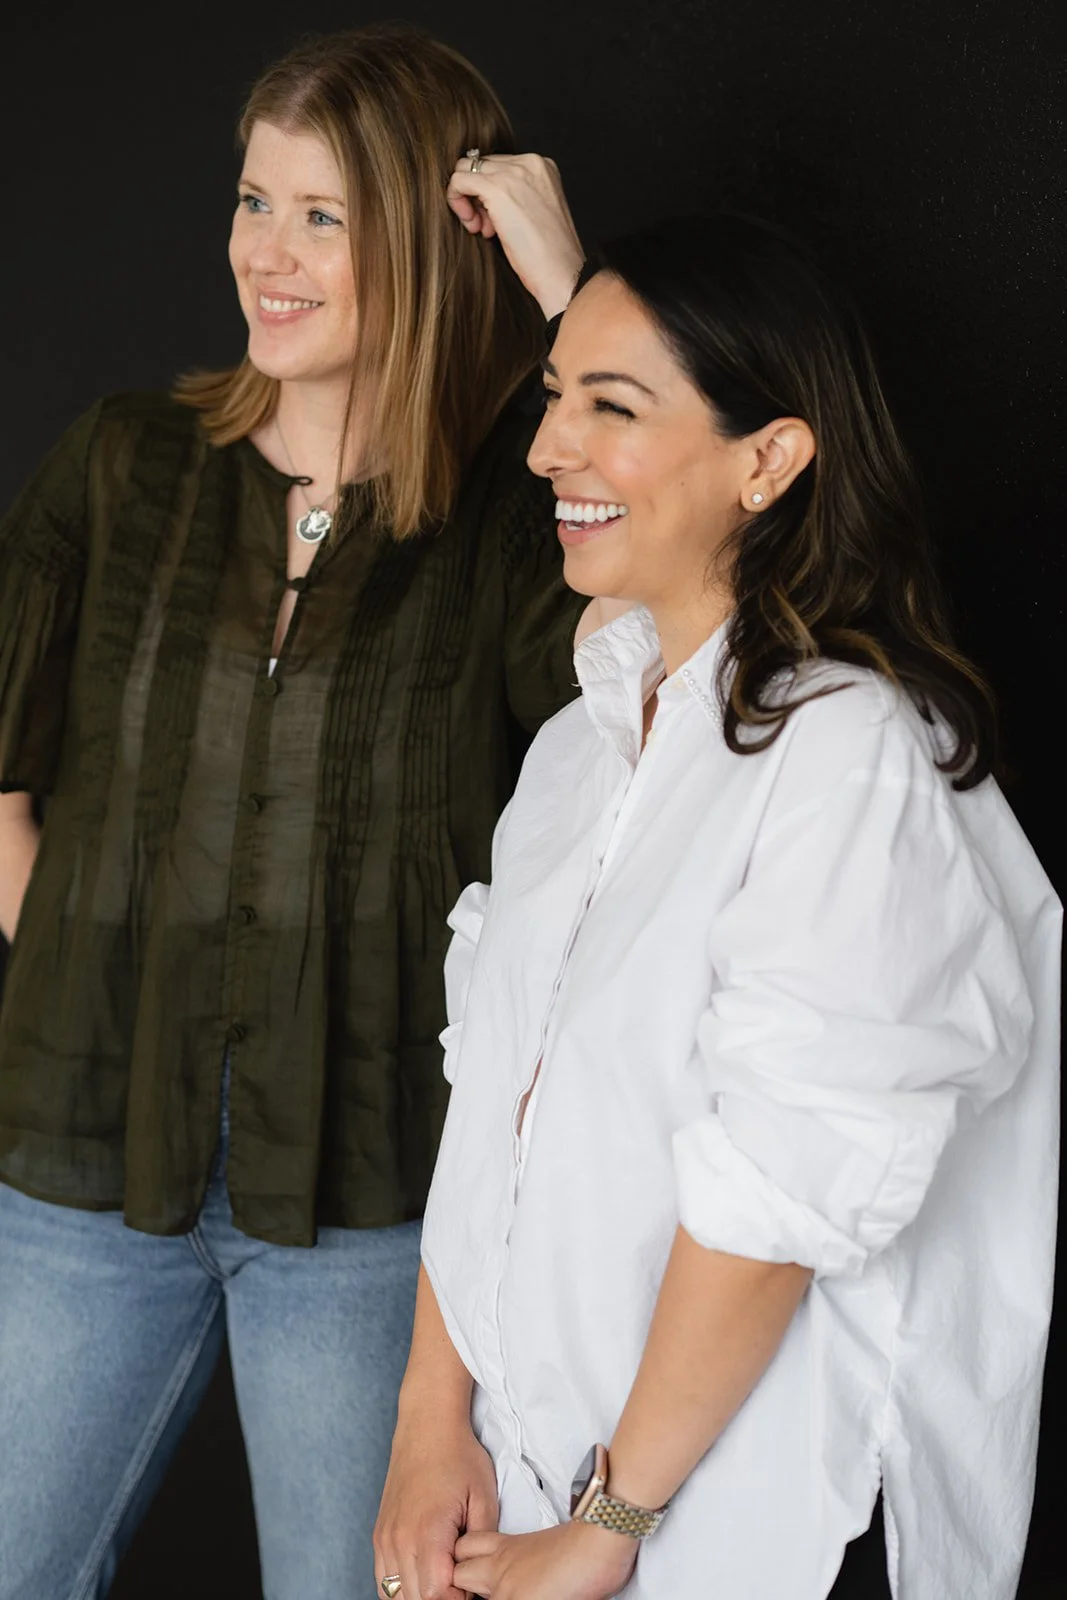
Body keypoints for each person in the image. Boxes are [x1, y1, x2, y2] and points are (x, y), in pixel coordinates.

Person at [376, 215, 1060, 1600]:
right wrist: (427, 1421)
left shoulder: (850, 752)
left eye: (608, 407)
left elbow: (777, 1193)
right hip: (534, 1486)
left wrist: (609, 1525)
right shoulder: (577, 750)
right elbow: (495, 1099)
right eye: (554, 397)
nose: (546, 449)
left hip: (758, 1527)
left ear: (768, 459)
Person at [0, 24, 587, 1600]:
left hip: (371, 1205)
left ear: (428, 236)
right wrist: (67, 952)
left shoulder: (517, 528)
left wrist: (567, 297)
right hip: (76, 1167)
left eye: (325, 216)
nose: (269, 251)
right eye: (255, 200)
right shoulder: (125, 466)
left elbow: (685, 672)